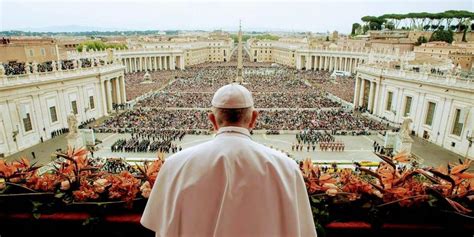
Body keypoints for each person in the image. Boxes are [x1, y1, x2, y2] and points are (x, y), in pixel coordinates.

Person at [141, 83, 316, 237]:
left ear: (212, 120)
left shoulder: (175, 164)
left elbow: (155, 222)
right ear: (254, 118)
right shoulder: (287, 168)